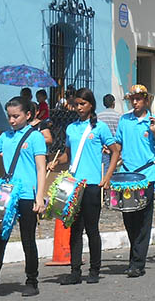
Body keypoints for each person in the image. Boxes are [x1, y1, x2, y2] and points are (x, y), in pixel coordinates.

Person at [0, 97, 46, 297]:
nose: (12, 120)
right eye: (9, 116)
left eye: (16, 116)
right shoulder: (5, 136)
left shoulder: (35, 137)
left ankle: (32, 281)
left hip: (27, 194)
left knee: (27, 239)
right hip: (6, 192)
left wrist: (40, 197)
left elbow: (40, 168)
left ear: (27, 115)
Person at [51, 87, 118, 285]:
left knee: (92, 229)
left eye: (83, 104)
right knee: (74, 229)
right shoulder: (71, 128)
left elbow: (115, 152)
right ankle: (75, 271)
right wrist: (55, 162)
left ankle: (95, 269)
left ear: (91, 105)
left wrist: (107, 177)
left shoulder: (100, 128)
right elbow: (68, 155)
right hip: (74, 185)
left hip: (92, 185)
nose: (79, 108)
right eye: (77, 104)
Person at [114, 84, 155, 277]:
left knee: (144, 221)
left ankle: (137, 263)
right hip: (126, 176)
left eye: (138, 99)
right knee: (129, 219)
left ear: (146, 100)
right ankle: (134, 256)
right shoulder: (124, 120)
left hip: (147, 178)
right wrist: (110, 151)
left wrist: (154, 132)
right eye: (132, 99)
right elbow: (118, 144)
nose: (135, 102)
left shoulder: (154, 121)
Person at [98, 93, 120, 178]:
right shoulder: (118, 116)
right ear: (113, 103)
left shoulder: (99, 116)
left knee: (104, 169)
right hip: (115, 146)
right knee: (113, 170)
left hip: (103, 147)